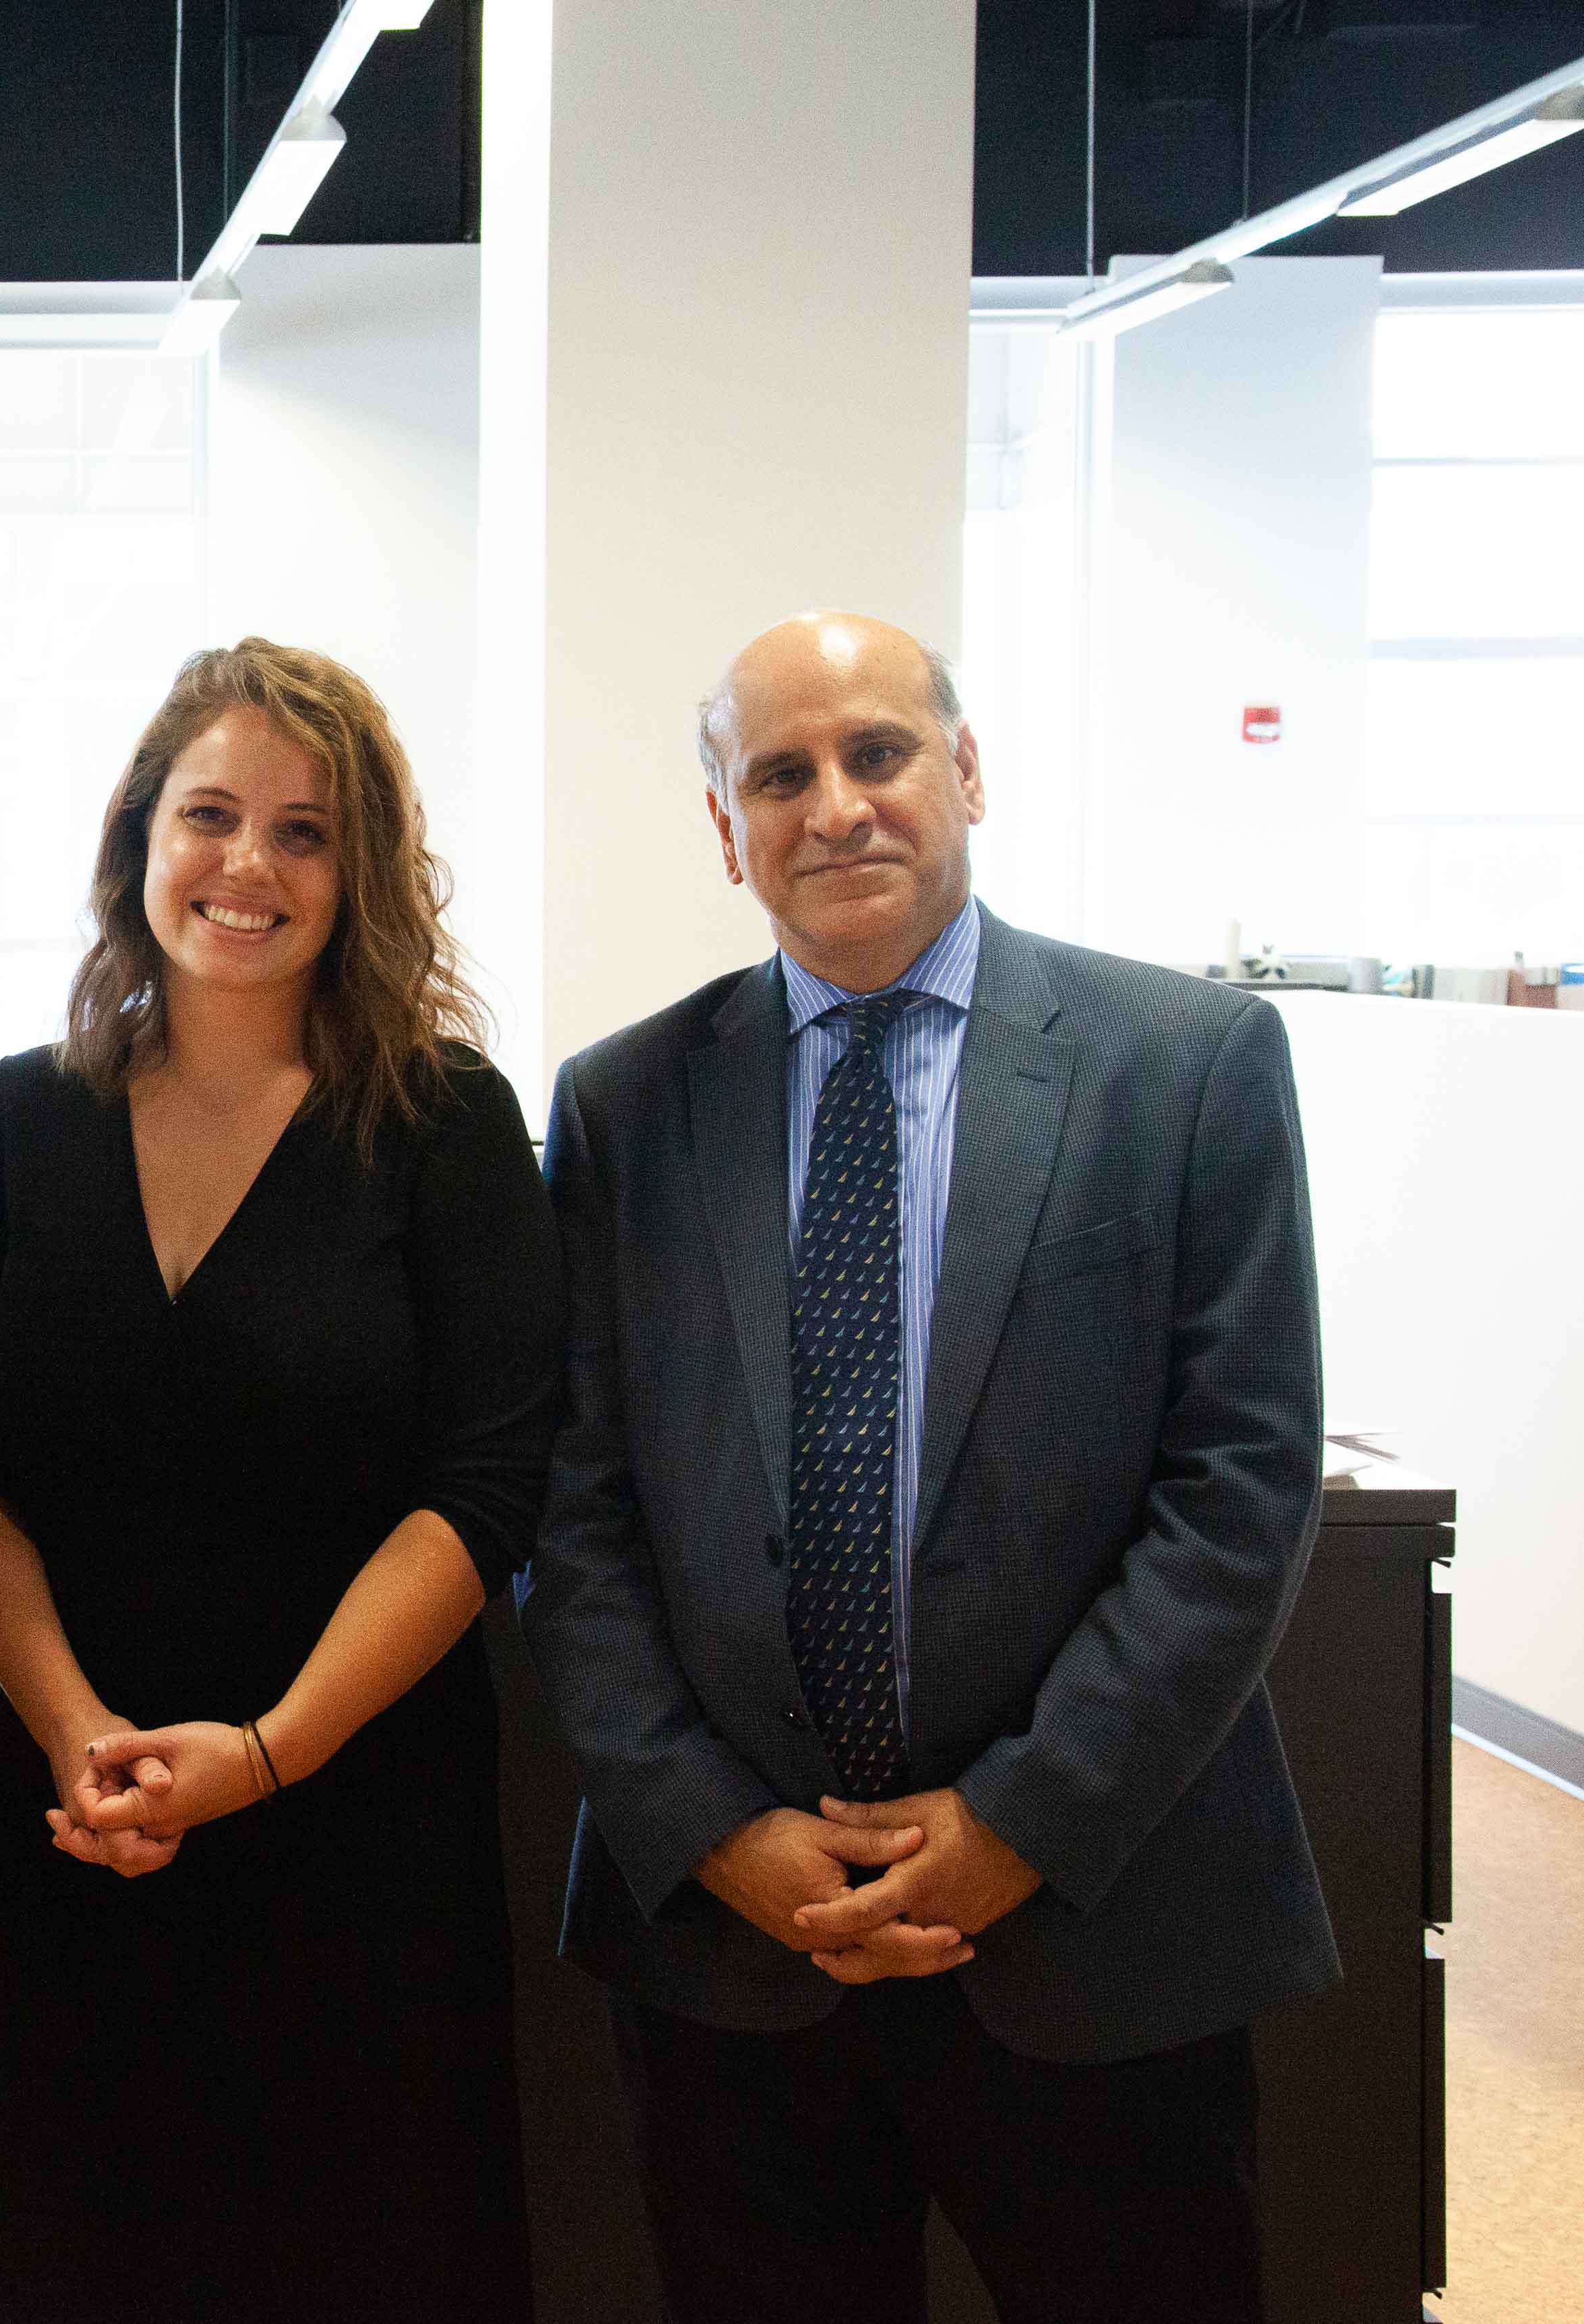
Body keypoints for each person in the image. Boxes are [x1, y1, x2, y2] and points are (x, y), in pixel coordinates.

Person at [521, 612, 1336, 2324]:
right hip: (740, 1955)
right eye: (779, 774)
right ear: (725, 829)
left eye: (878, 753)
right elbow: (572, 1513)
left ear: (964, 770)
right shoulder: (622, 1104)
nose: (835, 808)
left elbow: (1239, 1489)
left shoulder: (1182, 1067)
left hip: (1100, 1919)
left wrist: (1017, 1821)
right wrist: (714, 1827)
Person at [0, 639, 564, 2319]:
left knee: (357, 2255)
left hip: (363, 1818)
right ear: (140, 840)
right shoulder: (21, 1122)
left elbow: (483, 1490)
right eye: (210, 815)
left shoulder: (447, 1124)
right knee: (94, 2253)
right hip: (88, 1813)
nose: (248, 868)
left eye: (304, 832)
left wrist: (267, 1758)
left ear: (361, 877)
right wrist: (70, 1728)